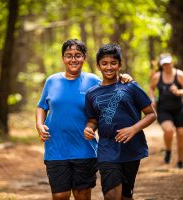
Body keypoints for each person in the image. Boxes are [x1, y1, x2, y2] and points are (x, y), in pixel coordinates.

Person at [35, 39, 133, 200]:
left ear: (84, 57)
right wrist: (39, 125)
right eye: (69, 56)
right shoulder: (51, 81)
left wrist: (124, 78)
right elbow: (41, 106)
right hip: (56, 148)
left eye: (78, 55)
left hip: (84, 148)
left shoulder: (93, 80)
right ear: (63, 58)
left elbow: (111, 88)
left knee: (82, 195)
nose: (73, 59)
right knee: (60, 195)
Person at [84, 44, 156, 200]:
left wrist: (133, 129)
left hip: (131, 149)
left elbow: (151, 114)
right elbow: (92, 120)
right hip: (106, 149)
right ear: (98, 66)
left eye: (113, 63)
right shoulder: (91, 94)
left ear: (120, 65)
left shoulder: (130, 86)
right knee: (111, 195)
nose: (109, 67)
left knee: (126, 196)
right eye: (104, 63)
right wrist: (89, 129)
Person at [149, 53, 183, 168]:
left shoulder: (179, 75)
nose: (167, 66)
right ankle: (168, 150)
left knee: (181, 134)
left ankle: (180, 162)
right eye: (164, 64)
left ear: (172, 63)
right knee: (168, 131)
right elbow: (151, 88)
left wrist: (179, 92)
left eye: (168, 63)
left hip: (179, 109)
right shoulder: (157, 76)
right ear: (161, 65)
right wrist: (153, 99)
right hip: (164, 110)